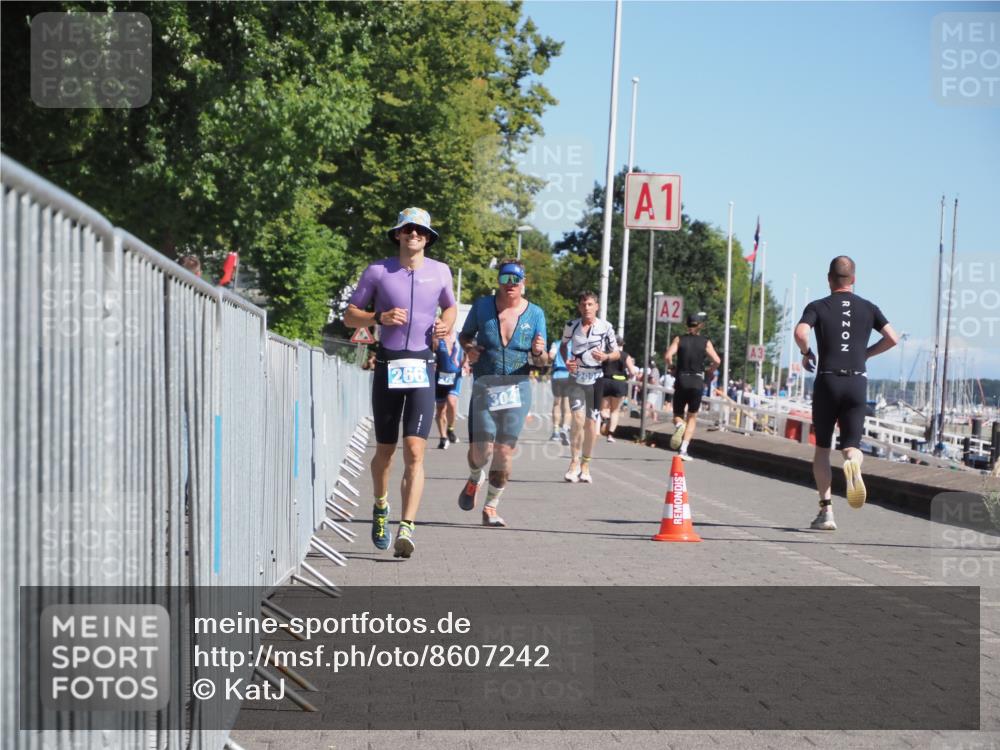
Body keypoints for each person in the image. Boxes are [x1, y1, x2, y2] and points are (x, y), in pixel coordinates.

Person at [344, 207, 456, 559]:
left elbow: (449, 307)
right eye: (408, 230)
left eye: (421, 231)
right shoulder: (378, 271)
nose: (414, 235)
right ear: (398, 234)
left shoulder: (440, 272)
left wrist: (446, 324)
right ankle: (380, 506)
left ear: (428, 237)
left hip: (422, 364)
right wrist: (379, 316)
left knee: (416, 450)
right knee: (386, 451)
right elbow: (350, 315)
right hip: (389, 364)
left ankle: (407, 527)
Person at [794, 255, 898, 531]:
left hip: (827, 382)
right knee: (851, 445)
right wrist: (866, 354)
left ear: (829, 279)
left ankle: (826, 512)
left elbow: (800, 332)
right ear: (854, 279)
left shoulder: (818, 306)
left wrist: (806, 353)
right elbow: (892, 338)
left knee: (822, 450)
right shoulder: (869, 307)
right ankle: (852, 462)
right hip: (856, 382)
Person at [457, 259, 547, 527]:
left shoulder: (536, 314)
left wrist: (539, 352)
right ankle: (475, 476)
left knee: (504, 452)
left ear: (524, 282)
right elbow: (464, 337)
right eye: (505, 279)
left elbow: (542, 362)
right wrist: (469, 349)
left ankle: (491, 505)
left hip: (518, 387)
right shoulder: (482, 306)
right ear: (498, 280)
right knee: (481, 453)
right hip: (486, 383)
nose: (510, 285)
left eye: (516, 280)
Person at [560, 291, 620, 483]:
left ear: (597, 306)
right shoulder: (571, 326)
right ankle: (574, 462)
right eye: (584, 304)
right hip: (576, 376)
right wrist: (566, 361)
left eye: (590, 304)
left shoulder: (606, 327)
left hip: (596, 378)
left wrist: (606, 357)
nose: (587, 308)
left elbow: (616, 352)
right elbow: (563, 346)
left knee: (591, 423)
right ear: (579, 307)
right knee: (577, 419)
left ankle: (586, 464)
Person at [664, 312, 721, 461]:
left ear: (686, 325)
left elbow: (667, 356)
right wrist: (710, 371)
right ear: (701, 326)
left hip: (682, 379)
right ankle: (683, 450)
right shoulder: (705, 342)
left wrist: (672, 367)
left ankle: (678, 426)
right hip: (697, 380)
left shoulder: (679, 339)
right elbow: (717, 360)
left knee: (677, 414)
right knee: (692, 417)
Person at [433, 330, 464, 450]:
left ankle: (450, 429)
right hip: (440, 376)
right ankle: (443, 437)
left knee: (451, 401)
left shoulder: (458, 336)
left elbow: (467, 350)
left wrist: (465, 363)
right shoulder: (437, 337)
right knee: (440, 409)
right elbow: (431, 352)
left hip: (455, 376)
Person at [597, 350, 635, 442]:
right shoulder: (625, 355)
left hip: (605, 381)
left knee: (602, 409)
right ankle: (610, 435)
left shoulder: (604, 353)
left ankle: (600, 425)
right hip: (619, 383)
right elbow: (633, 372)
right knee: (615, 410)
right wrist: (628, 376)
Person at [548, 339, 572, 445]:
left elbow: (551, 357)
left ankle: (556, 431)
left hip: (557, 375)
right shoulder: (576, 344)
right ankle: (565, 429)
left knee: (557, 403)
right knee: (567, 405)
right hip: (569, 376)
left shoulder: (556, 343)